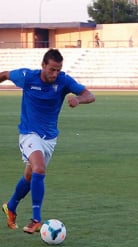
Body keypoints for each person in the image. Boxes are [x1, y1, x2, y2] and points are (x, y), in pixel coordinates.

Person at [0, 49, 96, 234]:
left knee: (30, 176)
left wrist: (78, 99)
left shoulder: (64, 81)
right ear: (43, 65)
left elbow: (90, 95)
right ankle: (36, 219)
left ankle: (11, 207)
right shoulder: (27, 76)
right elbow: (4, 75)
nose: (55, 74)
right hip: (29, 133)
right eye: (52, 69)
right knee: (39, 168)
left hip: (50, 138)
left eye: (58, 70)